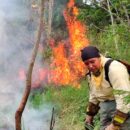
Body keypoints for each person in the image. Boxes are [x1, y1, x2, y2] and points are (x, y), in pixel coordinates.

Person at [80, 45, 130, 130]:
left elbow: (124, 101)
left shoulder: (114, 68)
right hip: (105, 108)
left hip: (123, 109)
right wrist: (89, 116)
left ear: (99, 57)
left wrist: (115, 125)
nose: (90, 66)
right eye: (86, 63)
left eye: (92, 61)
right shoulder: (92, 72)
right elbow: (94, 95)